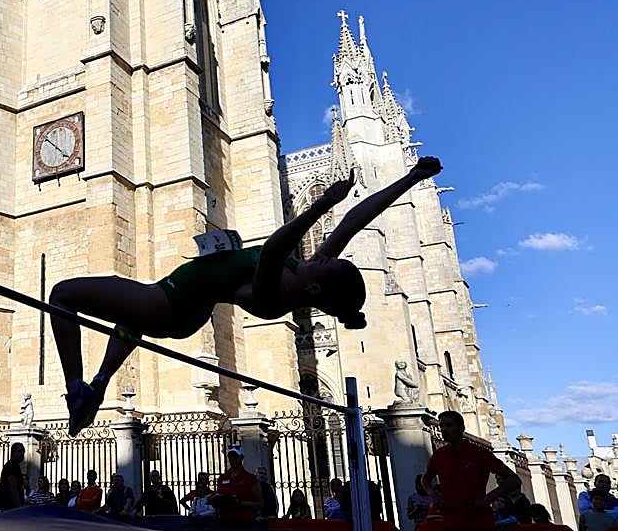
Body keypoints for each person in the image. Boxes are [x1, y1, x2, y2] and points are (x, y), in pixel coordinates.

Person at [52, 158, 444, 432]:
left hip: (170, 304)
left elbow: (273, 248)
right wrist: (411, 178)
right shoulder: (303, 273)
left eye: (325, 263)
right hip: (174, 304)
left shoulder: (274, 297)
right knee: (128, 318)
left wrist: (322, 203)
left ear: (315, 288)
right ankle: (98, 387)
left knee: (62, 296)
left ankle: (75, 389)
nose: (321, 253)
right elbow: (357, 220)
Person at [421, 409, 522, 529]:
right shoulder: (439, 455)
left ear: (461, 428)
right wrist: (434, 495)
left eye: (449, 425)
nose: (444, 429)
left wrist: (487, 499)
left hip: (477, 519)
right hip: (450, 520)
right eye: (441, 426)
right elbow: (425, 479)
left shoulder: (479, 453)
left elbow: (514, 479)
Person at [209, 446, 263, 524]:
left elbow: (260, 504)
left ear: (241, 458)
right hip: (224, 520)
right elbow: (218, 494)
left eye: (235, 457)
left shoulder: (250, 478)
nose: (232, 459)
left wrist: (239, 503)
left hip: (244, 521)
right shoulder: (222, 477)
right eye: (230, 456)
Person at [0, 443, 26, 510]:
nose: (22, 454)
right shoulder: (12, 466)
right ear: (13, 452)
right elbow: (13, 487)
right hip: (10, 506)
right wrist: (19, 507)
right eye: (19, 451)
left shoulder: (14, 465)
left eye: (23, 451)